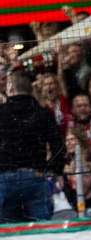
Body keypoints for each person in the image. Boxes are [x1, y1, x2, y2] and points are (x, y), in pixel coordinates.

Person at [0, 70, 64, 222]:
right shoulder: (43, 113)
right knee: (41, 229)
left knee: (6, 231)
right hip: (35, 176)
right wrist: (54, 169)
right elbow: (58, 145)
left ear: (11, 88)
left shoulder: (1, 112)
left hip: (5, 178)